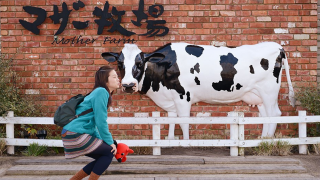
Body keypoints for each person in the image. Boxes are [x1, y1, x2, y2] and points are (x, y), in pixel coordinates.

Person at [61, 65, 120, 180]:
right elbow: (100, 121)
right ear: (105, 80)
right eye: (114, 77)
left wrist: (104, 141)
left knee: (103, 157)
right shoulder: (101, 92)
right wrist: (110, 142)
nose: (118, 79)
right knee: (109, 152)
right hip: (75, 133)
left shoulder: (100, 92)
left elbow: (93, 125)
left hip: (70, 133)